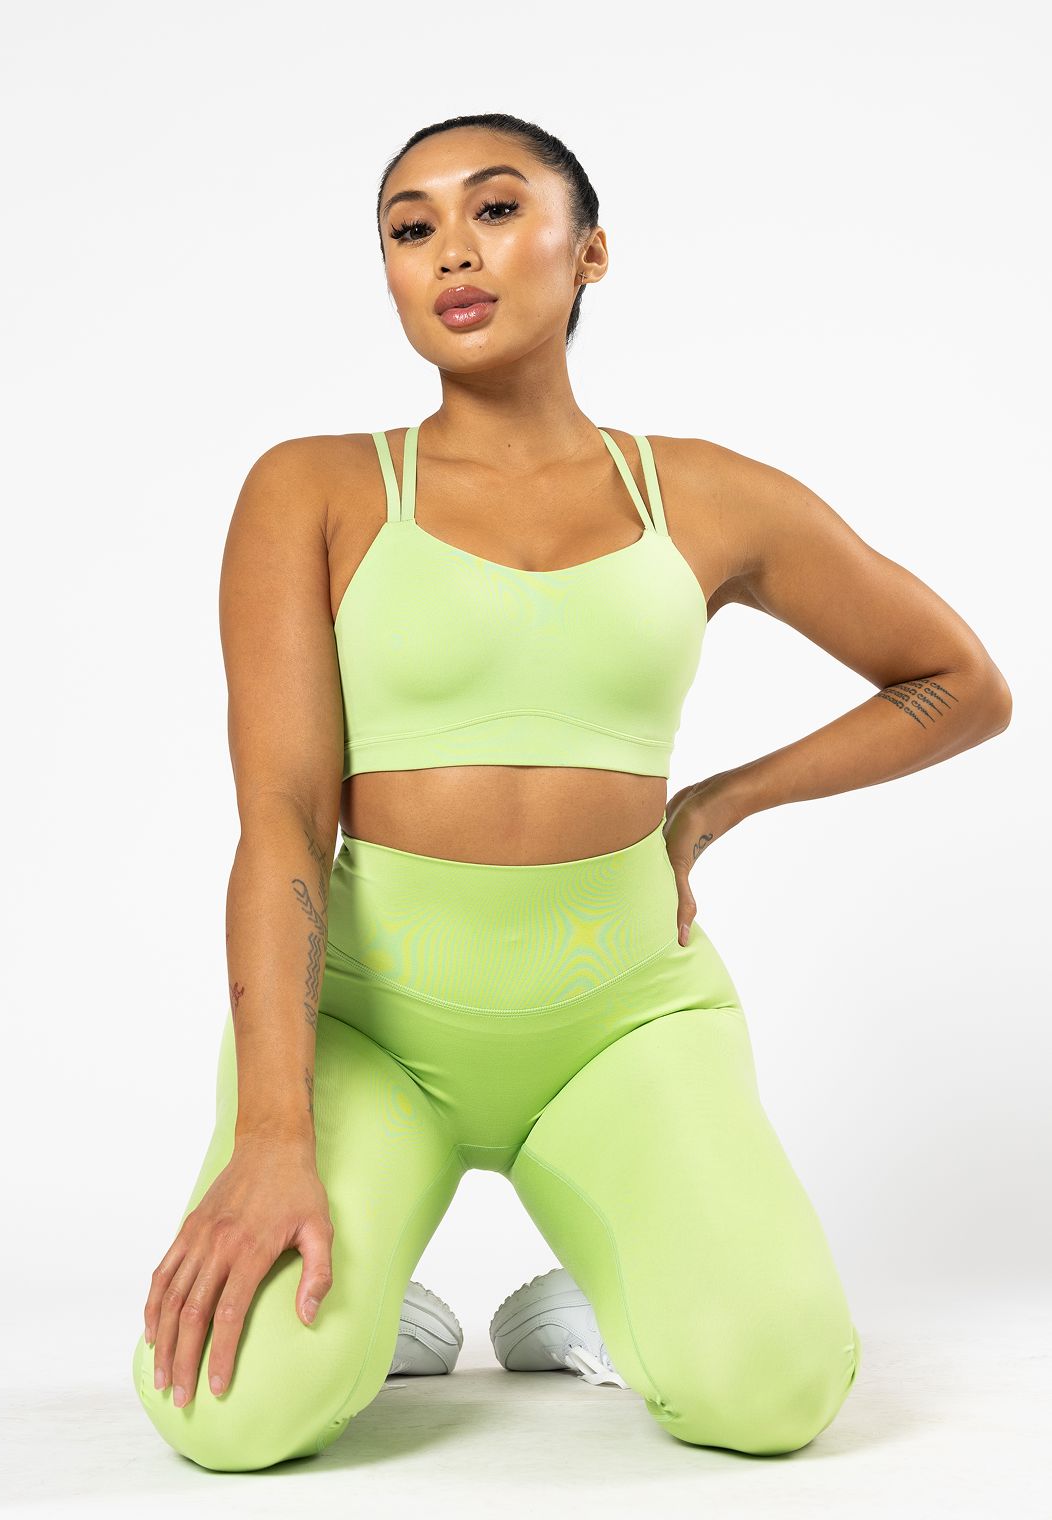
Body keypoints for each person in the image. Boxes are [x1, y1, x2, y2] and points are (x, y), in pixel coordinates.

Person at [131, 112, 1013, 1473]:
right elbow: (285, 827)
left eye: (495, 209)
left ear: (590, 252)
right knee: (223, 1416)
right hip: (371, 1029)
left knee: (772, 1395)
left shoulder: (705, 494)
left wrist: (717, 803)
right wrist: (271, 1132)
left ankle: (590, 1298)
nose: (451, 251)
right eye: (411, 228)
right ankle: (389, 1312)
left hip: (623, 1018)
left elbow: (958, 683)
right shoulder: (314, 487)